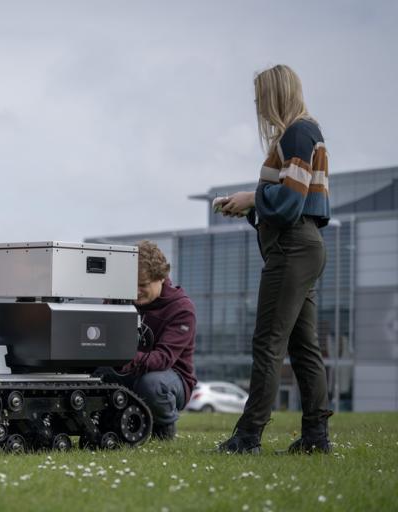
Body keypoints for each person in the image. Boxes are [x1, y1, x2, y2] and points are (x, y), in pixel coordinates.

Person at [215, 64, 332, 454]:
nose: (257, 105)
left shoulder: (298, 133)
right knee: (303, 347)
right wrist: (248, 206)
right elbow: (292, 202)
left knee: (268, 343)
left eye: (260, 96)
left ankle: (248, 437)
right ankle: (316, 437)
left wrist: (254, 199)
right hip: (305, 245)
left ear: (275, 95)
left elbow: (288, 202)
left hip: (293, 248)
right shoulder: (304, 133)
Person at [100, 240, 197, 440]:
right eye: (131, 285)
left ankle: (164, 430)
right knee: (95, 375)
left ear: (161, 277)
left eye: (142, 285)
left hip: (171, 378)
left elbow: (163, 359)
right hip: (126, 368)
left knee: (152, 384)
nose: (135, 292)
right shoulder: (118, 300)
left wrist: (124, 360)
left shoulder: (181, 309)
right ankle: (104, 426)